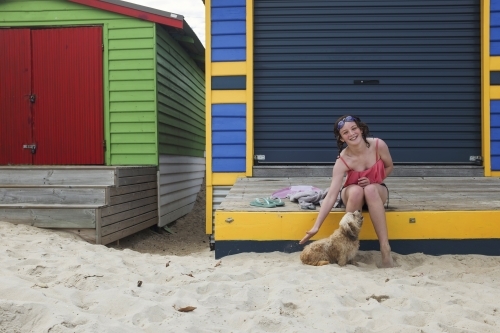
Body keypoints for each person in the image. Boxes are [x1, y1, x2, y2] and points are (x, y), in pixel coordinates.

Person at [299, 115, 394, 268]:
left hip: (375, 190)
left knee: (369, 190)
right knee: (357, 190)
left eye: (354, 128)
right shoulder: (342, 160)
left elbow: (389, 166)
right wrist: (316, 226)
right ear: (341, 138)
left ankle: (385, 249)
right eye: (345, 132)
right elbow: (331, 195)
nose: (351, 133)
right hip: (351, 193)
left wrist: (374, 179)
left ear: (361, 129)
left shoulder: (378, 145)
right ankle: (347, 249)